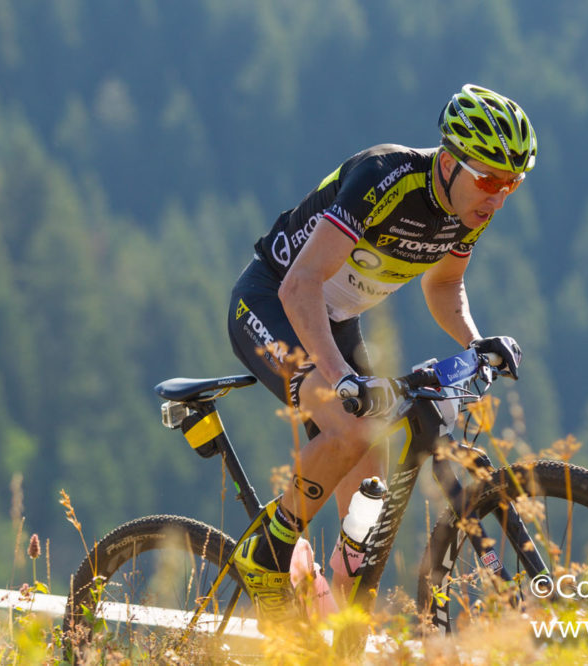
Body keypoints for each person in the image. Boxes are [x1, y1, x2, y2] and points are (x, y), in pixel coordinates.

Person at [226, 84, 536, 627]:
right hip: (274, 302)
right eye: (489, 178)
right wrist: (343, 378)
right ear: (448, 161)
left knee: (365, 513)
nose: (499, 195)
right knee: (350, 428)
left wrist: (475, 343)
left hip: (336, 321)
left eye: (512, 182)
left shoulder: (472, 207)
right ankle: (267, 554)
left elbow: (444, 286)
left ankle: (331, 622)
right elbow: (300, 285)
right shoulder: (383, 176)